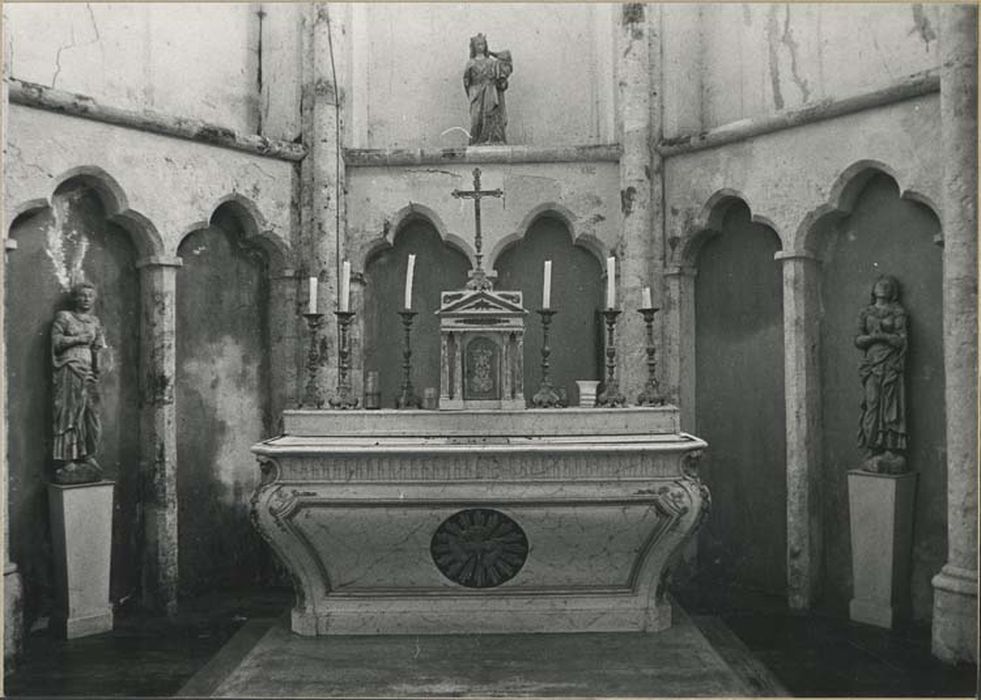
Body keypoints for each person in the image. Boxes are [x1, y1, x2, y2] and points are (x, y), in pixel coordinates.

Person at [51, 281, 106, 484]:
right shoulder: (64, 317)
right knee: (70, 412)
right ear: (75, 298)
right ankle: (68, 458)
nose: (86, 299)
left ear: (94, 298)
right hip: (69, 368)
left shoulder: (95, 321)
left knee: (92, 414)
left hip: (89, 372)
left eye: (89, 296)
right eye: (82, 295)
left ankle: (88, 454)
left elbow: (98, 347)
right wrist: (79, 338)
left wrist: (97, 369)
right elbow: (56, 343)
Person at [854, 274, 908, 474]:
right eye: (880, 284)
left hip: (891, 364)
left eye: (888, 286)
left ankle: (889, 449)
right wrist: (873, 338)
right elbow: (858, 339)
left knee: (890, 404)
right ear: (874, 288)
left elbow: (902, 340)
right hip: (871, 364)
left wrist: (883, 336)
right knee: (872, 404)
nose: (883, 288)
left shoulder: (898, 312)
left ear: (893, 291)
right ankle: (871, 447)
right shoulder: (865, 311)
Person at [464, 33, 513, 145]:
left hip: (490, 93)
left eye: (482, 44)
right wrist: (473, 94)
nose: (480, 46)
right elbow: (466, 82)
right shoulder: (470, 64)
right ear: (473, 47)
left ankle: (492, 140)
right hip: (476, 94)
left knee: (491, 116)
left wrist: (492, 54)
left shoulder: (491, 62)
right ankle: (475, 142)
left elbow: (506, 59)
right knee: (476, 120)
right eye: (478, 44)